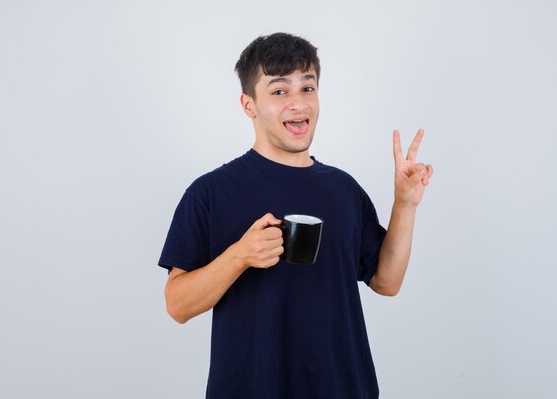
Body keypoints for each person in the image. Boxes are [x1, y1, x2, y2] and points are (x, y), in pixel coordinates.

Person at [158, 32, 433, 399]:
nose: (298, 103)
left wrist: (405, 204)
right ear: (248, 104)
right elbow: (177, 304)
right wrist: (240, 256)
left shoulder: (343, 190)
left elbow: (386, 281)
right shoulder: (210, 193)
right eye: (279, 91)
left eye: (307, 87)